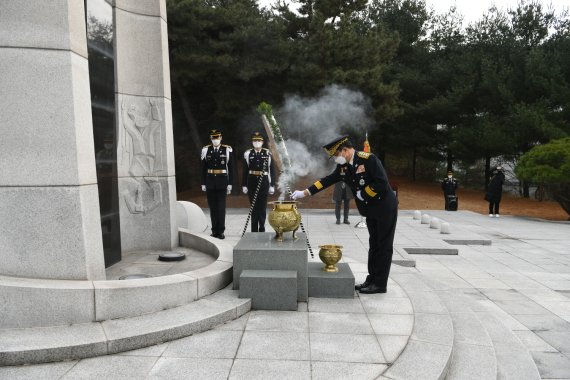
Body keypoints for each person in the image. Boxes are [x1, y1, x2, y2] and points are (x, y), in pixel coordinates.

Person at [291, 135, 398, 294]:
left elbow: (382, 182)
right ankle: (372, 278)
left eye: (336, 155)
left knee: (384, 246)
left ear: (346, 150)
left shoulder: (369, 159)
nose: (335, 159)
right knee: (374, 245)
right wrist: (305, 192)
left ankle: (380, 284)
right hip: (371, 210)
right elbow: (326, 181)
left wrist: (365, 194)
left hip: (385, 208)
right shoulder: (345, 167)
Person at [201, 129, 233, 239]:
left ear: (221, 138)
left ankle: (221, 231)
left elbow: (231, 168)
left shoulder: (226, 150)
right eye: (213, 138)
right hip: (210, 181)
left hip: (222, 181)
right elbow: (203, 168)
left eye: (217, 138)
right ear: (211, 139)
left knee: (221, 207)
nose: (215, 140)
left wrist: (230, 183)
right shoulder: (206, 150)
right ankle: (214, 231)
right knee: (213, 208)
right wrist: (203, 183)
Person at [242, 132, 276, 232]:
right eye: (255, 141)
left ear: (262, 142)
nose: (257, 142)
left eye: (259, 141)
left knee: (262, 207)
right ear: (252, 142)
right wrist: (244, 184)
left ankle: (262, 228)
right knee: (253, 207)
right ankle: (253, 229)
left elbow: (272, 170)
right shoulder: (248, 153)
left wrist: (272, 185)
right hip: (251, 182)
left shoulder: (267, 153)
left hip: (264, 182)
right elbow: (245, 170)